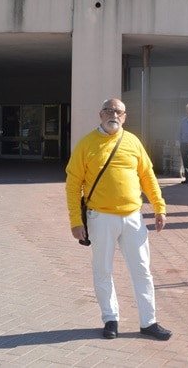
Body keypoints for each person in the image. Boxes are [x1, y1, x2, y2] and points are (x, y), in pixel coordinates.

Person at [65, 98, 172, 341]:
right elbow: (73, 184)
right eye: (109, 110)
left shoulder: (133, 142)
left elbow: (147, 176)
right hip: (100, 217)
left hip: (133, 217)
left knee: (142, 270)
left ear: (124, 117)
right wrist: (75, 221)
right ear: (101, 114)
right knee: (102, 269)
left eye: (119, 112)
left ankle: (148, 322)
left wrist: (159, 208)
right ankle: (110, 319)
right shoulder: (86, 144)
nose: (114, 115)